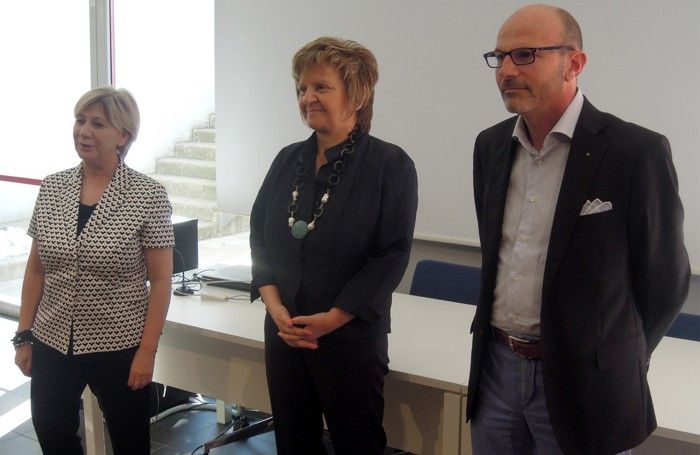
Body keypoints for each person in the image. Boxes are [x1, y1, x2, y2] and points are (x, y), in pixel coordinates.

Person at [467, 4, 690, 455]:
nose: (506, 70)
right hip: (496, 371)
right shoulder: (490, 146)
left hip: (587, 383)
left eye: (525, 55)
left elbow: (666, 282)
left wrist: (617, 357)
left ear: (574, 63)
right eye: (500, 56)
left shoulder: (635, 152)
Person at [250, 36, 418, 454]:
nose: (307, 97)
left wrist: (331, 319)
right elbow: (260, 237)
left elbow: (391, 254)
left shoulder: (390, 165)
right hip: (285, 332)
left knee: (357, 444)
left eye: (321, 87)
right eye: (302, 88)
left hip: (350, 337)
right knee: (293, 442)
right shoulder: (287, 159)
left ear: (356, 95)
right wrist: (275, 309)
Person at [13, 87, 174, 454]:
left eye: (97, 124)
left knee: (130, 443)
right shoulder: (53, 187)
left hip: (119, 344)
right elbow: (36, 270)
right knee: (53, 436)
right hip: (52, 337)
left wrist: (147, 352)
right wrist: (24, 334)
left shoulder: (147, 194)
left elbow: (161, 281)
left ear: (123, 136)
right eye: (80, 120)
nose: (83, 131)